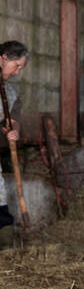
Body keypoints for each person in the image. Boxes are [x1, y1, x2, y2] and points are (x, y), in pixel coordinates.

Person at [0, 41, 29, 231]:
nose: (17, 72)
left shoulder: (9, 92)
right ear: (3, 58)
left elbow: (14, 116)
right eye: (17, 65)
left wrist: (14, 129)